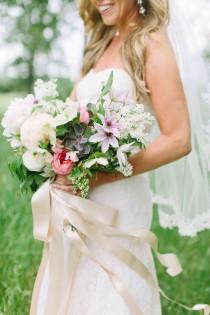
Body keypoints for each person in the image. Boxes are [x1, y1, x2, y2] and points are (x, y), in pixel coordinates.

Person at [30, 0, 193, 314]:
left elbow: (179, 138)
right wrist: (50, 151)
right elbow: (72, 118)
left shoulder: (150, 41)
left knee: (113, 287)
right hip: (79, 197)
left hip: (120, 195)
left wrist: (102, 175)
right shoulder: (99, 42)